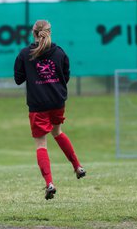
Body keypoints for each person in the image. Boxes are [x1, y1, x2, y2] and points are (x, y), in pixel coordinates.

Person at [14, 20, 86, 200]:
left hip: (38, 105)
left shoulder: (25, 53)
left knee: (41, 144)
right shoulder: (60, 52)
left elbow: (18, 79)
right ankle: (77, 166)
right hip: (57, 102)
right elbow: (65, 76)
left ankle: (49, 183)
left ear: (33, 33)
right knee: (57, 132)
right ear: (49, 32)